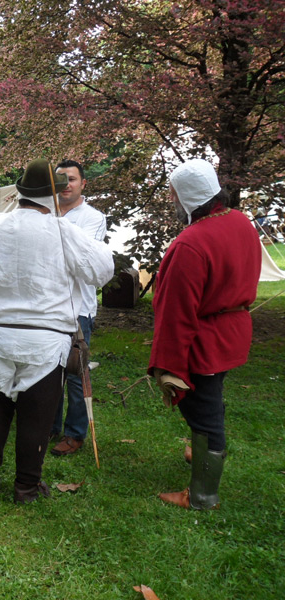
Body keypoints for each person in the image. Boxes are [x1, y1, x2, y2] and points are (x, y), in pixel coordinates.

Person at [0, 158, 113, 504]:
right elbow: (102, 271)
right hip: (43, 340)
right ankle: (25, 486)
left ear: (21, 192)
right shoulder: (63, 230)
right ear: (52, 195)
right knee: (36, 416)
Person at [149, 159, 260, 510]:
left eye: (174, 193)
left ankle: (202, 495)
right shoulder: (239, 220)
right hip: (230, 332)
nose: (171, 199)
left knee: (203, 409)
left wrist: (168, 363)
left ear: (186, 196)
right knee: (210, 399)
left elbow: (176, 312)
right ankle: (202, 450)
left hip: (206, 338)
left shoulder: (191, 243)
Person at [49, 159, 108, 457]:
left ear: (83, 183)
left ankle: (75, 433)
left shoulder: (93, 218)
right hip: (47, 304)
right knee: (49, 369)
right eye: (61, 179)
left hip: (77, 308)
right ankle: (49, 425)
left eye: (71, 179)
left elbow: (81, 259)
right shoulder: (44, 213)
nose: (66, 185)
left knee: (75, 371)